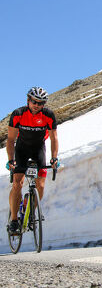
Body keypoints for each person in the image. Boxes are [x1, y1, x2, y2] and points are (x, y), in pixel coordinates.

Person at [6, 87, 59, 234]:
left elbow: (54, 138)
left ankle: (31, 211)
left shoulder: (48, 115)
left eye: (41, 103)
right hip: (21, 149)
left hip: (38, 149)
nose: (37, 105)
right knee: (18, 183)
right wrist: (11, 160)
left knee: (40, 185)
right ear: (28, 100)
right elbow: (10, 140)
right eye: (34, 102)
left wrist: (54, 158)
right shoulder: (18, 114)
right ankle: (14, 220)